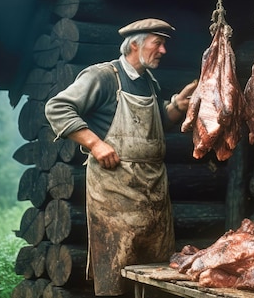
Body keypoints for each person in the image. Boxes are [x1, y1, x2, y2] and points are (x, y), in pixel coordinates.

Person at [45, 18, 197, 297]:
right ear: (135, 44)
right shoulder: (103, 76)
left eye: (164, 44)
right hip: (115, 194)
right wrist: (95, 144)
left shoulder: (149, 82)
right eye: (158, 43)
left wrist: (177, 106)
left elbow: (156, 125)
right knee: (117, 270)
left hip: (153, 193)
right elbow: (57, 107)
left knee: (155, 272)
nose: (163, 50)